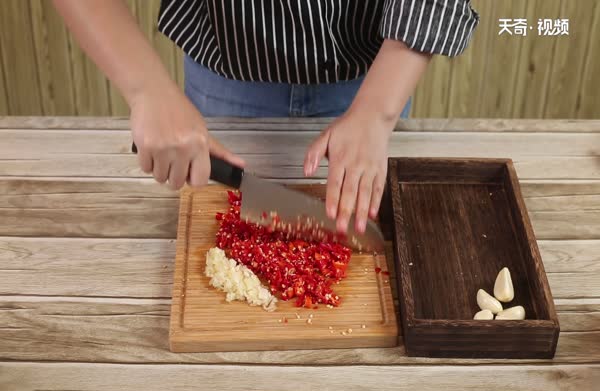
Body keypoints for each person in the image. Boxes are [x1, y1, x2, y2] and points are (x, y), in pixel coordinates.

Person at [53, 0, 479, 234]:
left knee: (368, 233)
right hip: (225, 71)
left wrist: (377, 111)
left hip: (375, 78)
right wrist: (147, 90)